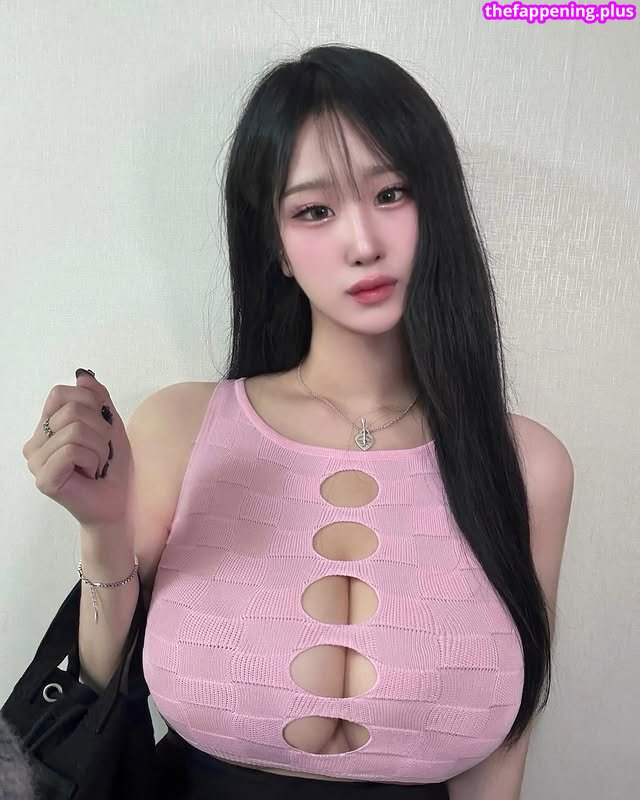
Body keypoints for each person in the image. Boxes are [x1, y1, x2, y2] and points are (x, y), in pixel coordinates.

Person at [20, 44, 573, 799]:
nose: (363, 243)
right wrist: (102, 527)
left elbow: (501, 757)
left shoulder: (527, 464)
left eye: (391, 194)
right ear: (275, 247)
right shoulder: (184, 427)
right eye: (315, 210)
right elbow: (98, 689)